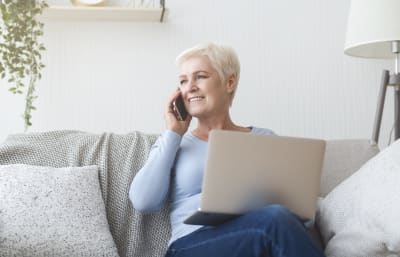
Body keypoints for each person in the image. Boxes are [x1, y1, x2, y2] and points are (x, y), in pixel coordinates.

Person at [129, 43, 325, 257]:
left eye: (200, 77)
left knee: (277, 218)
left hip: (255, 237)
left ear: (229, 82)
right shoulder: (174, 143)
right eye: (183, 81)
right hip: (190, 245)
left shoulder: (265, 139)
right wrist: (174, 133)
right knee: (275, 220)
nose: (190, 87)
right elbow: (143, 201)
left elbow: (301, 215)